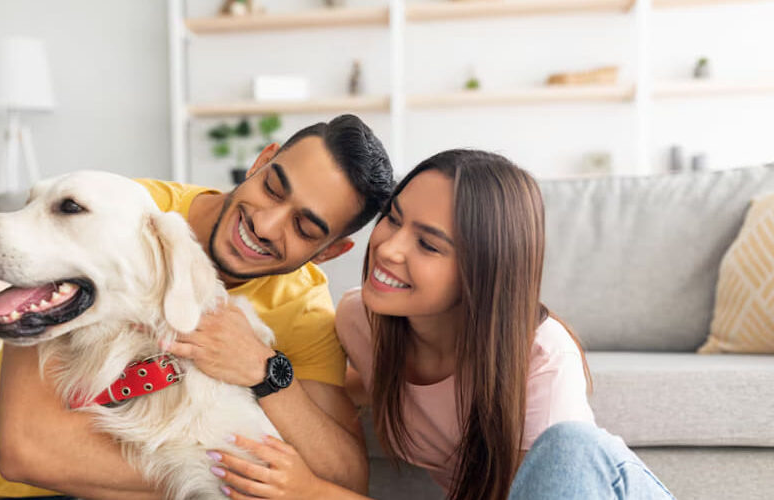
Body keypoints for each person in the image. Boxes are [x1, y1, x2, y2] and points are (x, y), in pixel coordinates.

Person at [0, 114, 395, 499]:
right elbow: (28, 451)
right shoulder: (112, 210)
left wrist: (264, 368)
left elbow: (343, 478)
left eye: (305, 227)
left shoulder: (302, 305)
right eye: (274, 188)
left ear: (328, 253)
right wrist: (227, 481)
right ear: (261, 161)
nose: (264, 223)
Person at [207, 150, 675, 500]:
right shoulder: (363, 323)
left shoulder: (541, 357)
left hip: (600, 485)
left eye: (428, 245)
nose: (388, 249)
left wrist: (315, 492)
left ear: (481, 271)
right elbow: (323, 395)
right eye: (393, 219)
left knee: (571, 446)